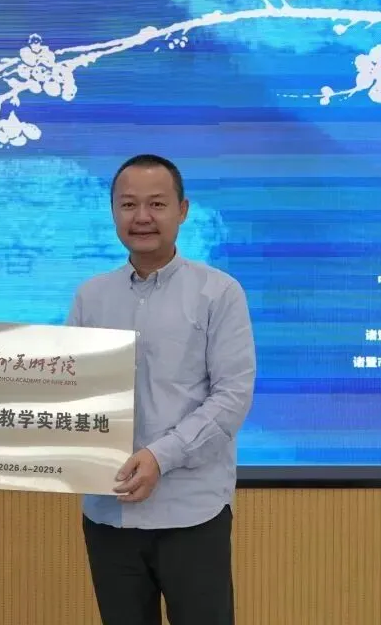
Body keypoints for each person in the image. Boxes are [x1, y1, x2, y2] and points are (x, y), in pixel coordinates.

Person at [65, 153, 256, 625]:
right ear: (113, 211)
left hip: (191, 512)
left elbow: (231, 397)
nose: (142, 217)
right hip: (109, 512)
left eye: (157, 203)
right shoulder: (91, 296)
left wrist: (159, 457)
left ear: (182, 210)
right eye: (129, 204)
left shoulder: (219, 292)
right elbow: (69, 391)